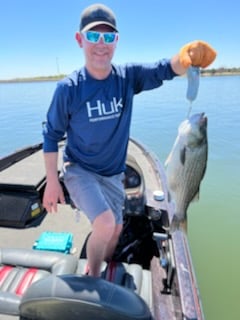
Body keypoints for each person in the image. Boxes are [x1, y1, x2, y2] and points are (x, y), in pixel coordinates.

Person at [42, 3, 216, 277]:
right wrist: (52, 181)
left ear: (116, 41)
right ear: (79, 40)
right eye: (93, 36)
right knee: (105, 223)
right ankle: (94, 278)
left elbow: (162, 69)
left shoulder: (127, 78)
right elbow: (51, 135)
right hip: (80, 170)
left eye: (108, 37)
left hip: (113, 174)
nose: (102, 44)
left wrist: (185, 58)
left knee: (117, 229)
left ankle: (102, 264)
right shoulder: (68, 88)